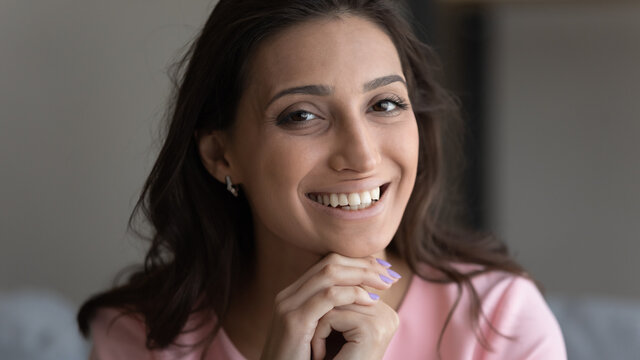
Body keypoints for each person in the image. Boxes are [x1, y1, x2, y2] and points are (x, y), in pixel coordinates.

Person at [77, 0, 567, 359]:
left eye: (385, 104)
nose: (361, 154)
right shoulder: (140, 339)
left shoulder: (500, 322)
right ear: (221, 155)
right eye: (302, 116)